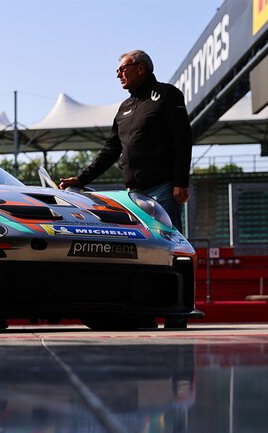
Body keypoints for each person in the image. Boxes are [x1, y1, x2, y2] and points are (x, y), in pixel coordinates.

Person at [59, 50, 192, 329]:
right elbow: (110, 150)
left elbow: (183, 139)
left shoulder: (167, 95)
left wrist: (181, 182)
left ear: (140, 68)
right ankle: (144, 308)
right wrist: (81, 179)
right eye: (118, 70)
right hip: (133, 195)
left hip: (164, 188)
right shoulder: (124, 107)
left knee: (169, 248)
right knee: (141, 251)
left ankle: (175, 312)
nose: (118, 74)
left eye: (123, 68)